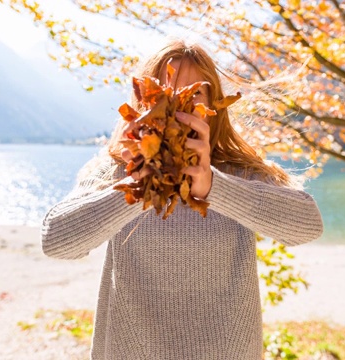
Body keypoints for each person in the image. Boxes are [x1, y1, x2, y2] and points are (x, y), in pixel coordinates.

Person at [41, 40, 324, 360]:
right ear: (142, 101)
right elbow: (56, 241)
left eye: (193, 93)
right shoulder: (115, 170)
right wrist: (136, 184)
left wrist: (212, 186)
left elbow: (307, 226)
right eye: (165, 91)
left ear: (214, 107)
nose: (177, 103)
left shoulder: (238, 172)